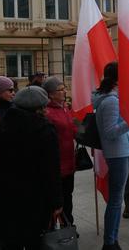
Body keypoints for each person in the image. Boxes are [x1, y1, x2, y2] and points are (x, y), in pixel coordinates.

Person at [0, 86, 63, 249]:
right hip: (36, 198)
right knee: (34, 240)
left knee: (10, 240)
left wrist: (2, 181)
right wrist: (56, 201)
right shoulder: (44, 129)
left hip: (7, 195)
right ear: (41, 107)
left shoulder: (0, 126)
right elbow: (51, 169)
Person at [93, 62, 129, 250]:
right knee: (116, 200)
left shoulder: (113, 98)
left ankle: (112, 238)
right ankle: (110, 242)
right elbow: (110, 132)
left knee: (117, 199)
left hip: (122, 151)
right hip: (118, 153)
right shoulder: (111, 101)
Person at [42, 76, 78, 225]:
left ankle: (68, 225)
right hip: (56, 165)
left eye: (64, 89)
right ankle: (51, 230)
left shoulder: (65, 108)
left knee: (67, 197)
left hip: (69, 163)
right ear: (50, 94)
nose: (65, 92)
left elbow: (73, 130)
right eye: (61, 90)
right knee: (55, 200)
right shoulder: (47, 112)